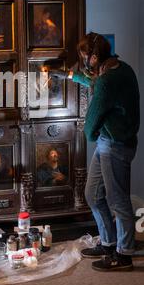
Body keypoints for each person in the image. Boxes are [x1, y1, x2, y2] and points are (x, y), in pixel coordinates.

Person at [51, 32, 140, 271]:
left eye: (84, 56)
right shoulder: (120, 69)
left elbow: (93, 117)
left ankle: (123, 255)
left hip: (115, 145)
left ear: (94, 56)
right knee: (93, 194)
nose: (83, 60)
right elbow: (94, 82)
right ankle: (108, 243)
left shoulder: (107, 80)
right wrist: (71, 75)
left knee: (118, 200)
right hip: (110, 142)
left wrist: (90, 135)